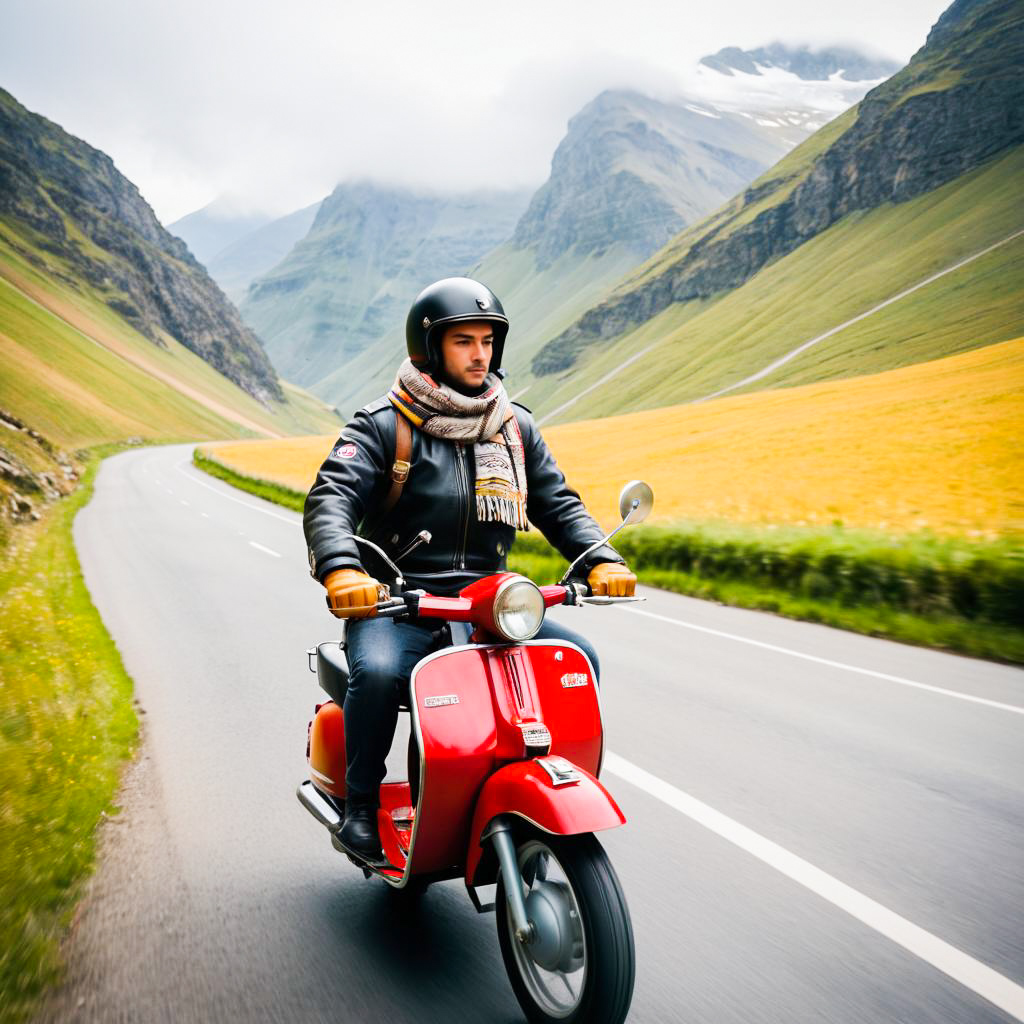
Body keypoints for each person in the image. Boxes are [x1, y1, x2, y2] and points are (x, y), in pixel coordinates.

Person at [303, 277, 636, 863]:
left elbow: (557, 503)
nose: (480, 354)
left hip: (491, 603)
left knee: (578, 660)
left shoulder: (513, 426)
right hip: (398, 601)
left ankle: (527, 784)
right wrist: (341, 570)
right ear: (429, 351)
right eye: (463, 341)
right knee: (378, 673)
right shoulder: (385, 426)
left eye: (487, 341)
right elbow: (330, 499)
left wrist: (600, 556)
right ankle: (360, 806)